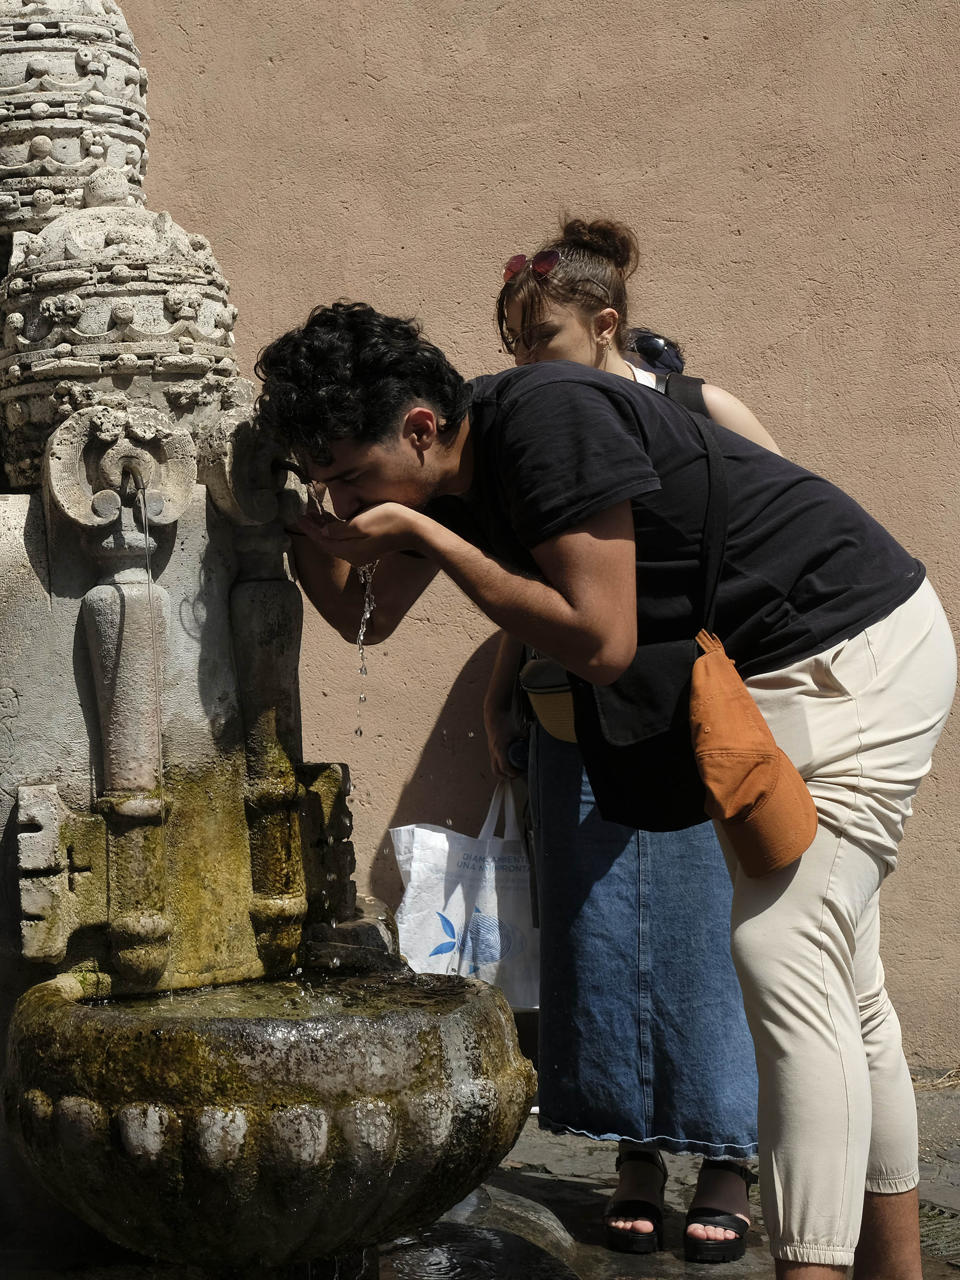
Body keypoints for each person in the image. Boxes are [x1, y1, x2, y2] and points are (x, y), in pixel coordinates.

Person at [259, 300, 951, 1279]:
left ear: (417, 425)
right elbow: (360, 619)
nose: (343, 498)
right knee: (848, 982)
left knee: (781, 946)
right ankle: (896, 1268)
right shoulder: (430, 476)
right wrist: (287, 525)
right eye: (323, 482)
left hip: (853, 647)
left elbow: (600, 636)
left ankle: (814, 1264)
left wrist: (431, 534)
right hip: (776, 675)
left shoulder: (546, 421)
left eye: (349, 476)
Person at [481, 218, 770, 1261]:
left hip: (687, 720)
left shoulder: (699, 410)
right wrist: (502, 687)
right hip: (570, 717)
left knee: (703, 940)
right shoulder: (532, 426)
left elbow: (777, 537)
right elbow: (537, 573)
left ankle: (728, 1158)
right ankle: (636, 1154)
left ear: (605, 325)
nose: (522, 365)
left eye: (542, 339)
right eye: (513, 343)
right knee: (597, 939)